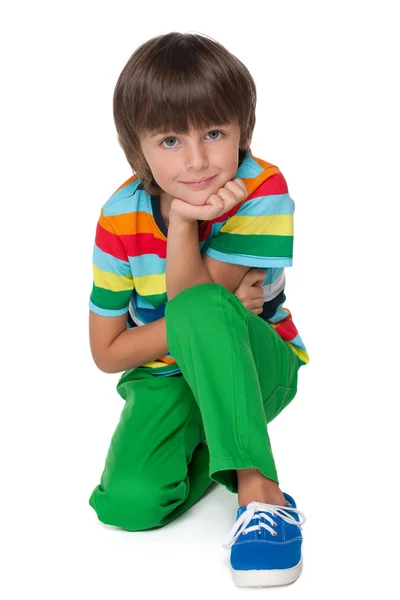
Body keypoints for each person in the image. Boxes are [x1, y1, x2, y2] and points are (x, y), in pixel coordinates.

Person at [88, 31, 310, 588]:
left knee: (205, 306)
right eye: (168, 140)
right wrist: (185, 223)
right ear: (138, 149)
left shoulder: (260, 188)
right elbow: (107, 352)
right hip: (170, 378)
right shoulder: (120, 217)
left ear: (242, 130)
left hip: (259, 367)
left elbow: (193, 308)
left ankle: (261, 493)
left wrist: (185, 226)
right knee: (129, 507)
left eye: (214, 133)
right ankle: (215, 449)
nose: (196, 161)